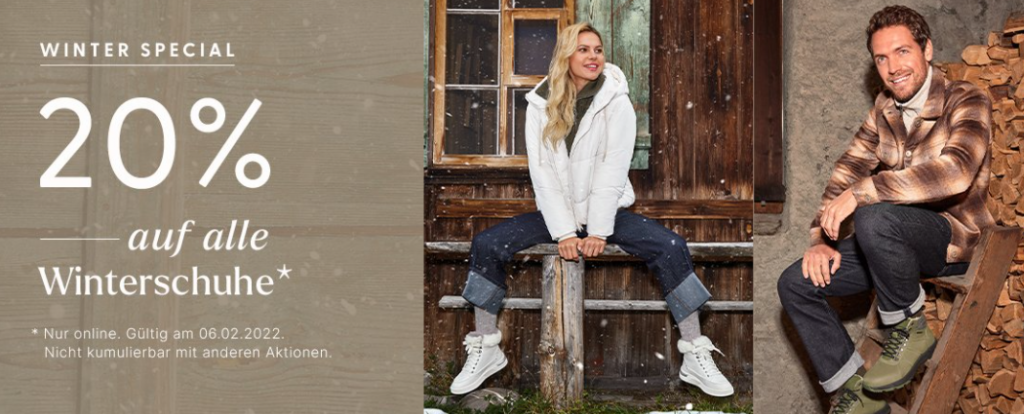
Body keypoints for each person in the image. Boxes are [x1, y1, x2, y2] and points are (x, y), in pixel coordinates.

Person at [449, 22, 735, 398]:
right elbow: (543, 175)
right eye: (583, 49)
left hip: (608, 213)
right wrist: (565, 232)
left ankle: (695, 353)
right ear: (566, 56)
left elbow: (612, 170)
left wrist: (598, 230)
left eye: (597, 49)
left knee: (671, 247)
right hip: (558, 215)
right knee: (487, 244)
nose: (593, 56)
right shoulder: (540, 104)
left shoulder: (615, 100)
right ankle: (486, 346)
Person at [776, 6, 995, 414]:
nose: (893, 68)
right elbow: (849, 168)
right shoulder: (885, 108)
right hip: (892, 243)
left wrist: (865, 192)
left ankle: (909, 328)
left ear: (927, 50)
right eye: (881, 58)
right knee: (795, 283)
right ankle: (855, 395)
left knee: (872, 213)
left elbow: (957, 172)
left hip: (951, 239)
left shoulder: (967, 98)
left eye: (902, 52)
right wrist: (820, 238)